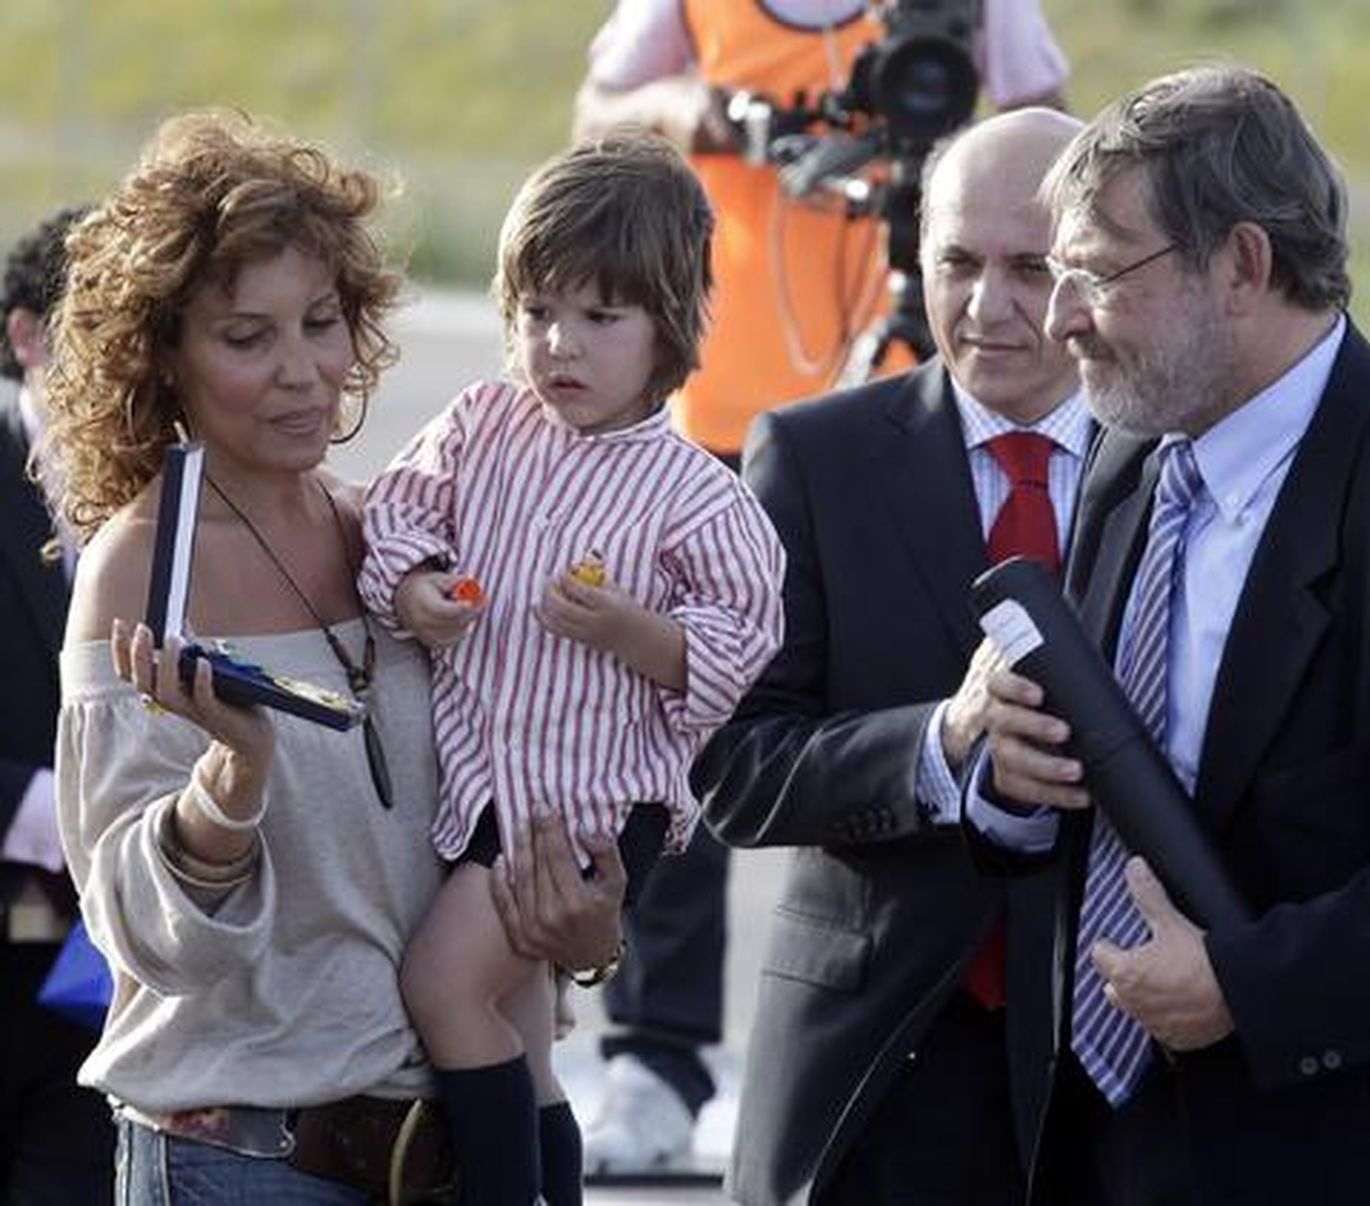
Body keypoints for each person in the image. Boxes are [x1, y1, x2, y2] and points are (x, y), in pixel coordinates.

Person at [968, 65, 1370, 1206]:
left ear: (1242, 266)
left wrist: (1248, 986)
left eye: (1096, 274)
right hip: (1117, 1145)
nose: (1059, 320)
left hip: (1359, 1153)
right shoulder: (1131, 458)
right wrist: (1007, 771)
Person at [41, 110, 627, 1206]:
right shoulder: (141, 572)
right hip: (241, 1163)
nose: (303, 372)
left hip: (458, 1146)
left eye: (322, 322)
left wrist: (585, 936)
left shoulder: (392, 536)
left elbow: (486, 818)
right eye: (246, 337)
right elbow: (142, 938)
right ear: (162, 355)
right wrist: (231, 783)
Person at [572, 0, 1070, 1172]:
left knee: (947, 720)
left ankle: (982, 1022)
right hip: (722, 401)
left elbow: (1053, 136)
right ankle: (657, 1051)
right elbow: (599, 113)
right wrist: (703, 115)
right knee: (681, 723)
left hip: (915, 398)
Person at [359, 131, 786, 1206]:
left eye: (602, 318)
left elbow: (746, 637)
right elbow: (397, 514)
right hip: (481, 784)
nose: (562, 345)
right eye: (538, 312)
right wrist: (416, 591)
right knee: (518, 1035)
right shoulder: (484, 425)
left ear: (670, 326)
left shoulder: (694, 492)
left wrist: (640, 635)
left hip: (589, 806)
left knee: (442, 989)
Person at [689, 107, 1084, 1206]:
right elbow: (736, 770)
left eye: (1031, 269)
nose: (987, 306)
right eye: (957, 263)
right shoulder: (816, 457)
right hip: (877, 1072)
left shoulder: (1175, 467)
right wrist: (939, 742)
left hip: (1114, 1066)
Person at [1, 206, 114, 1206]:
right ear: (27, 336)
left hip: (104, 979)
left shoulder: (179, 491)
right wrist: (58, 814)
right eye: (95, 330)